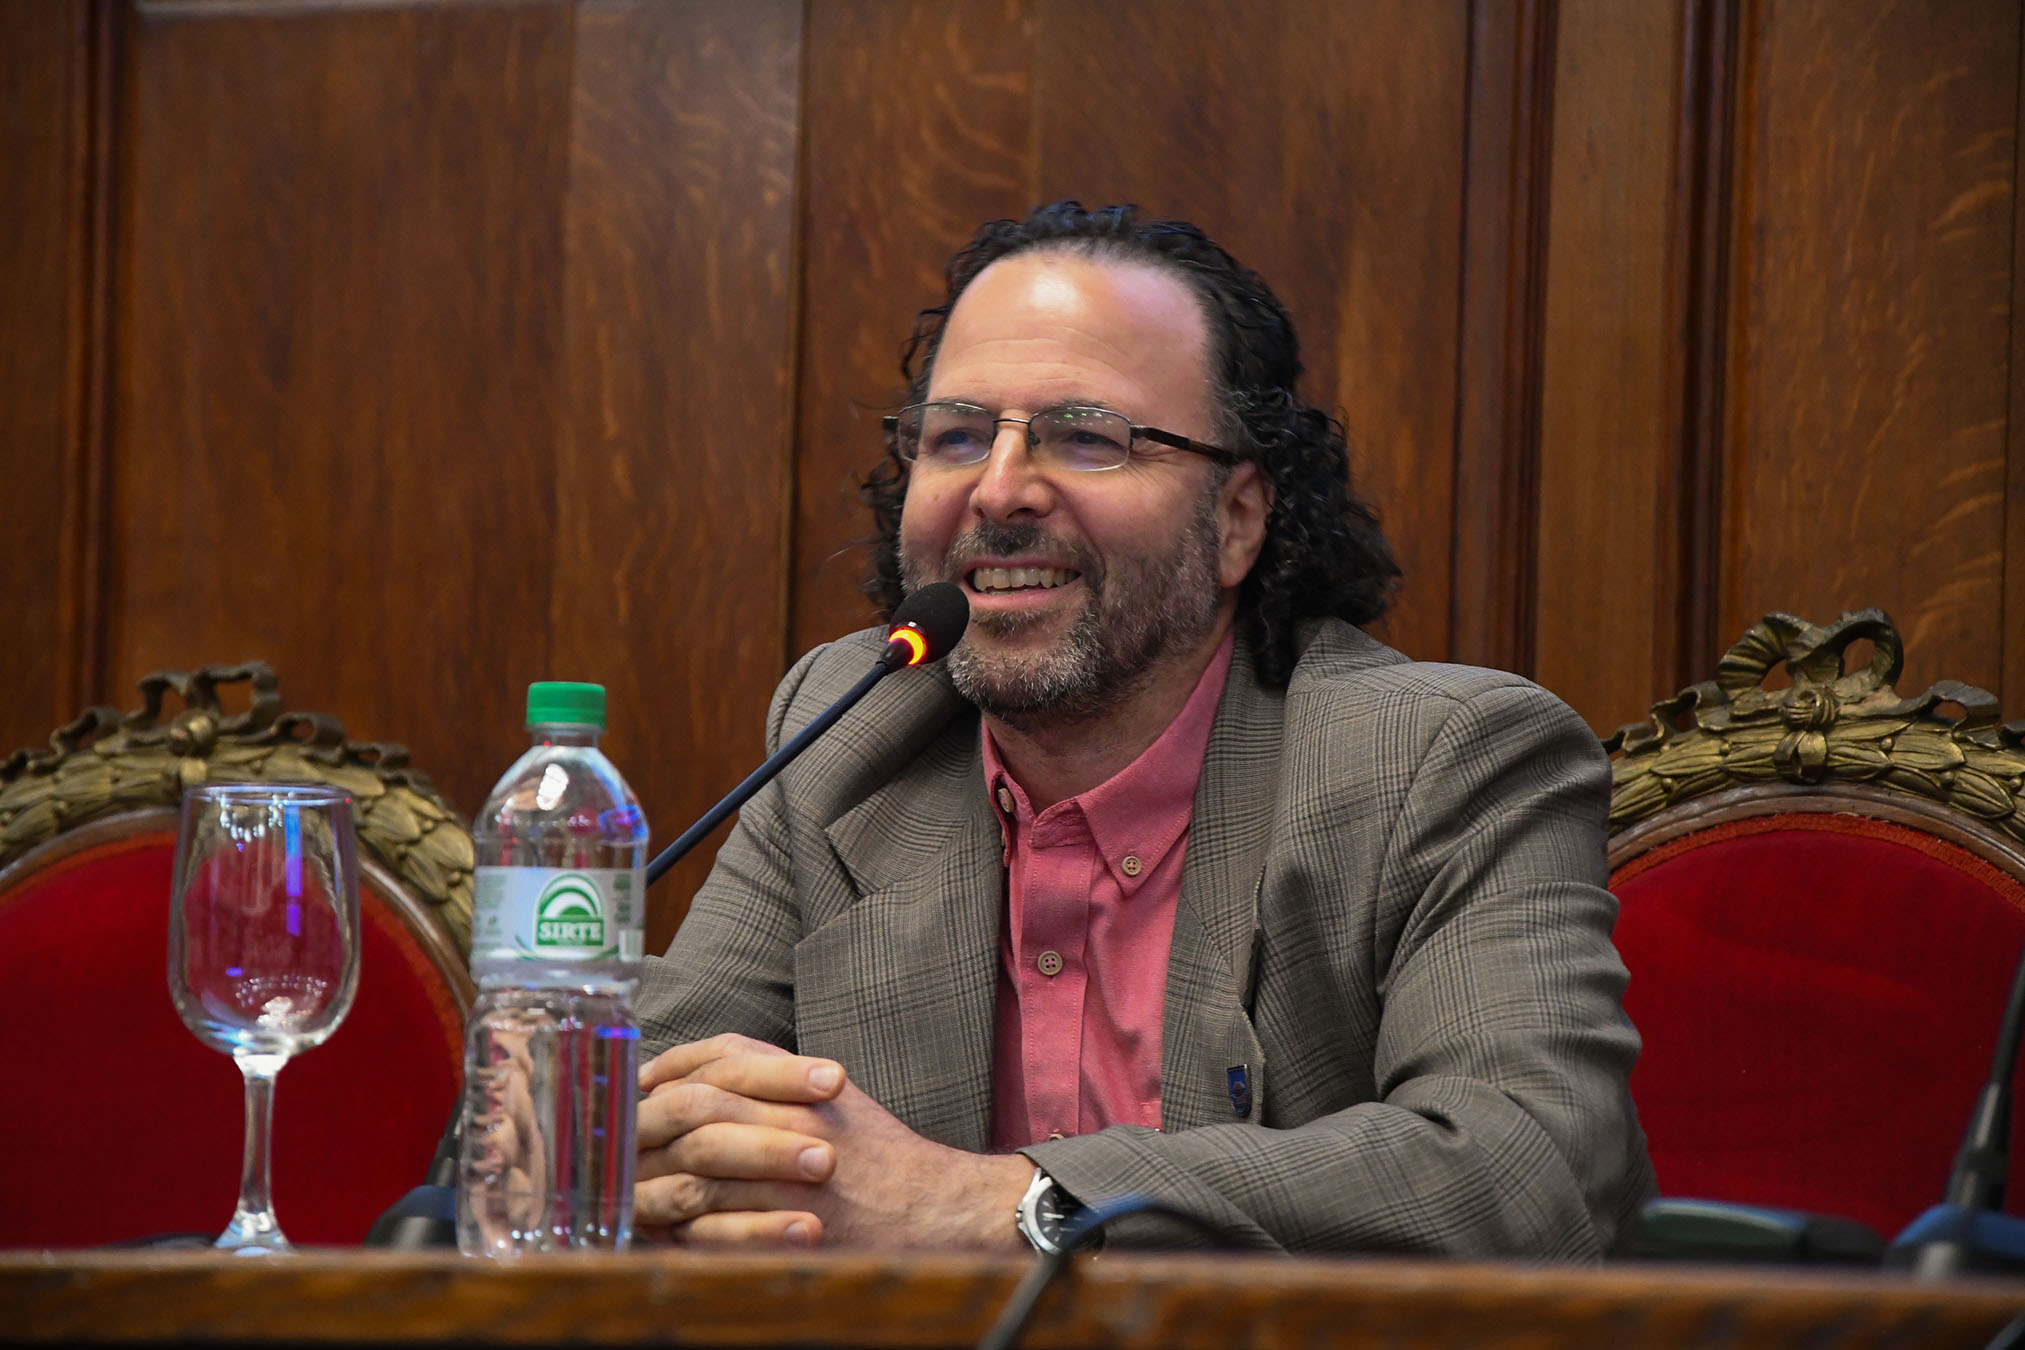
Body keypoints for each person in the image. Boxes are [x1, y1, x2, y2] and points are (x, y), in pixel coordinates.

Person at [630, 201, 1654, 1256]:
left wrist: (991, 1206)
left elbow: (1523, 1169)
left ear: (1238, 520)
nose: (998, 491)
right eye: (957, 437)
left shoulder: (1439, 762)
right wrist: (620, 1138)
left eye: (1087, 437)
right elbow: (628, 1095)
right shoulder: (853, 732)